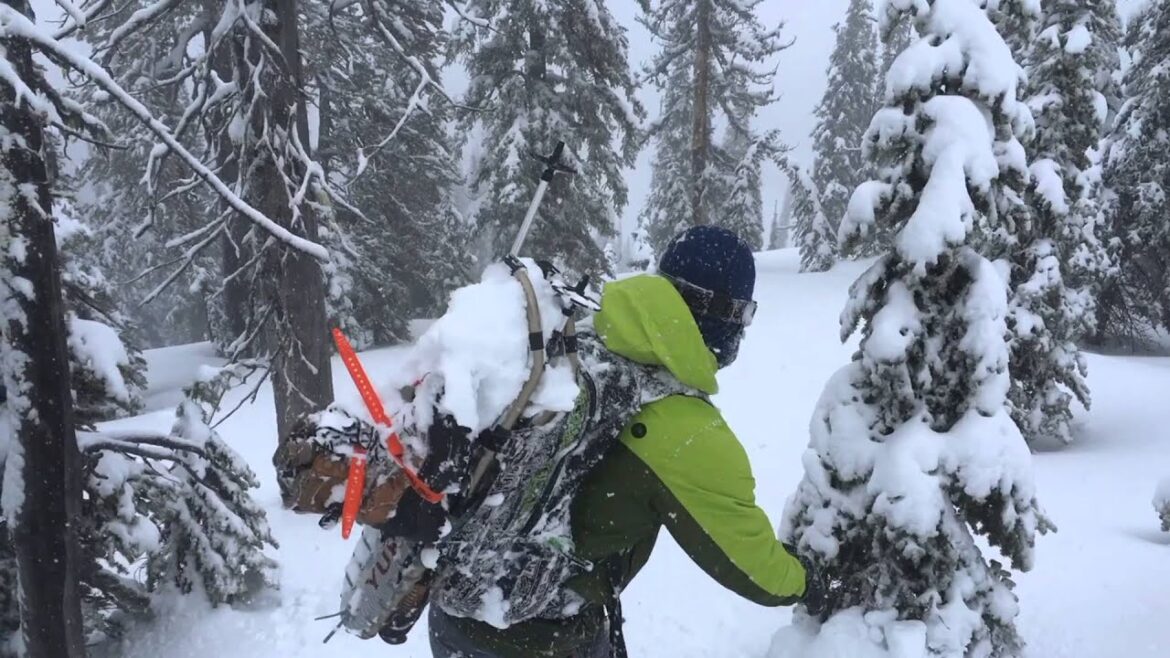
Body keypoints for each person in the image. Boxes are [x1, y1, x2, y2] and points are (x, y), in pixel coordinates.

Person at [427, 226, 822, 657]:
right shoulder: (687, 432)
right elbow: (755, 571)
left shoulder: (583, 340)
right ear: (722, 315)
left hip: (454, 613)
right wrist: (810, 582)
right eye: (745, 314)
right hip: (539, 637)